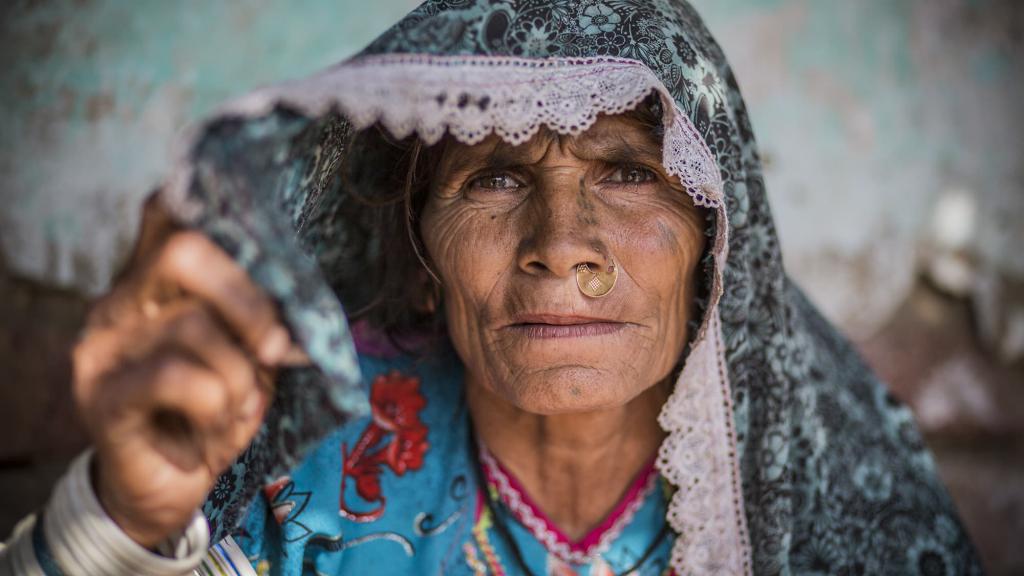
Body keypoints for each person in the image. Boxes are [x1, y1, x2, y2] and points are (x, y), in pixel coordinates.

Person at [1, 1, 983, 575]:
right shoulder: (292, 463)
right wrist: (126, 516)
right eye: (496, 178)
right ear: (420, 259)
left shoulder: (822, 498)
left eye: (628, 172)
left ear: (713, 248)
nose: (561, 247)